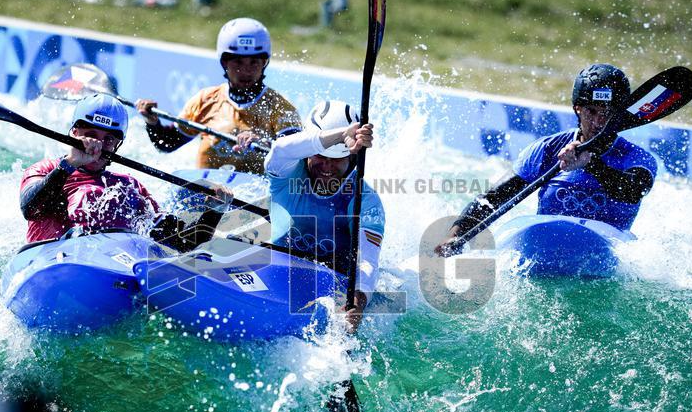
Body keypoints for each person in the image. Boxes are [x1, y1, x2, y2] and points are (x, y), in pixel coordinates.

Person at [436, 64, 657, 256]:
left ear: (619, 116)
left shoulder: (636, 158)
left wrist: (591, 164)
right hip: (543, 245)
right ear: (577, 109)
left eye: (608, 113)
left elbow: (632, 191)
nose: (599, 121)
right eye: (591, 111)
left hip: (604, 247)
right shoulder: (547, 149)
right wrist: (456, 235)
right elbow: (494, 198)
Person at [20, 93, 231, 251]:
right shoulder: (46, 169)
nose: (98, 145)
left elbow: (183, 245)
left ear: (118, 145)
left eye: (108, 140)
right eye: (90, 134)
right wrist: (70, 163)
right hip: (52, 263)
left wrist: (214, 210)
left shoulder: (128, 186)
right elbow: (31, 210)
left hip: (112, 269)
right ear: (74, 132)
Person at [263, 100, 383, 333]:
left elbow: (368, 261)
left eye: (337, 158)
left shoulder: (366, 200)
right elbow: (279, 149)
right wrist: (341, 135)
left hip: (333, 281)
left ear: (352, 159)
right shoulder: (286, 173)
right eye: (319, 155)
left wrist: (356, 303)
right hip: (278, 269)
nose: (326, 165)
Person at [136, 17, 303, 174]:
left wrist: (264, 143)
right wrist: (152, 122)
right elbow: (167, 144)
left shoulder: (281, 108)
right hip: (206, 195)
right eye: (238, 62)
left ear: (264, 63)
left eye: (254, 62)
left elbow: (296, 159)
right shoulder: (205, 100)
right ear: (224, 63)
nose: (246, 71)